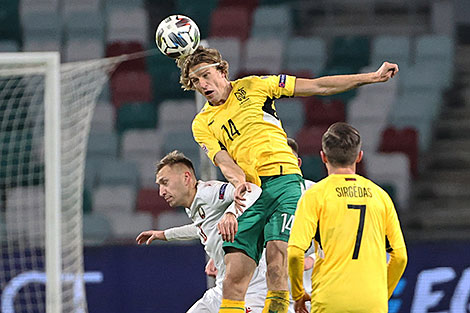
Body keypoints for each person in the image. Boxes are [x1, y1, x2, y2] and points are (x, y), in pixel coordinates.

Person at [177, 45, 399, 313]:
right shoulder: (202, 123)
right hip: (254, 192)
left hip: (284, 182)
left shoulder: (256, 86)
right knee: (234, 275)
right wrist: (238, 183)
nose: (202, 84)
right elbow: (224, 161)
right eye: (195, 81)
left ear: (222, 71)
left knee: (276, 259)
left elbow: (318, 86)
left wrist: (371, 77)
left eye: (205, 75)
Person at [287, 122, 407, 313]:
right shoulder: (380, 196)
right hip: (373, 303)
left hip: (329, 300)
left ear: (323, 156)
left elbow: (294, 254)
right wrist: (381, 294)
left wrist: (298, 294)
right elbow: (400, 257)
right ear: (359, 156)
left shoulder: (314, 196)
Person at [136, 150, 275, 313]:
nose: (161, 192)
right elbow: (203, 228)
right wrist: (164, 234)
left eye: (165, 182)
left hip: (250, 290)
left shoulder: (210, 192)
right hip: (221, 290)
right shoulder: (194, 206)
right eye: (159, 186)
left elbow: (252, 190)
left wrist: (232, 213)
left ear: (186, 178)